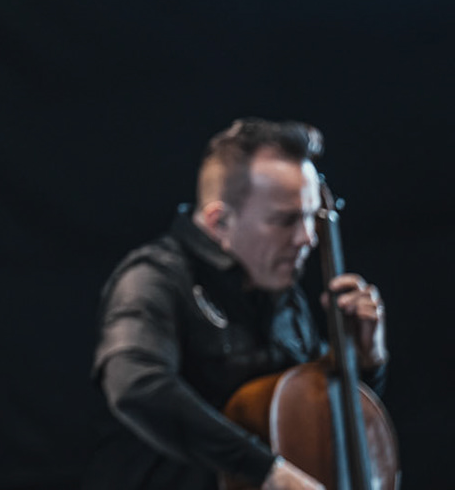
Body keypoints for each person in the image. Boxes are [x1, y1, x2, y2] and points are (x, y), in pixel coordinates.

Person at [84, 119, 389, 490]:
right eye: (286, 220)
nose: (308, 238)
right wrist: (265, 471)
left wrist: (363, 362)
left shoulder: (283, 294)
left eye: (311, 217)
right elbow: (135, 386)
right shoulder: (153, 279)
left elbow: (311, 419)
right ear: (220, 222)